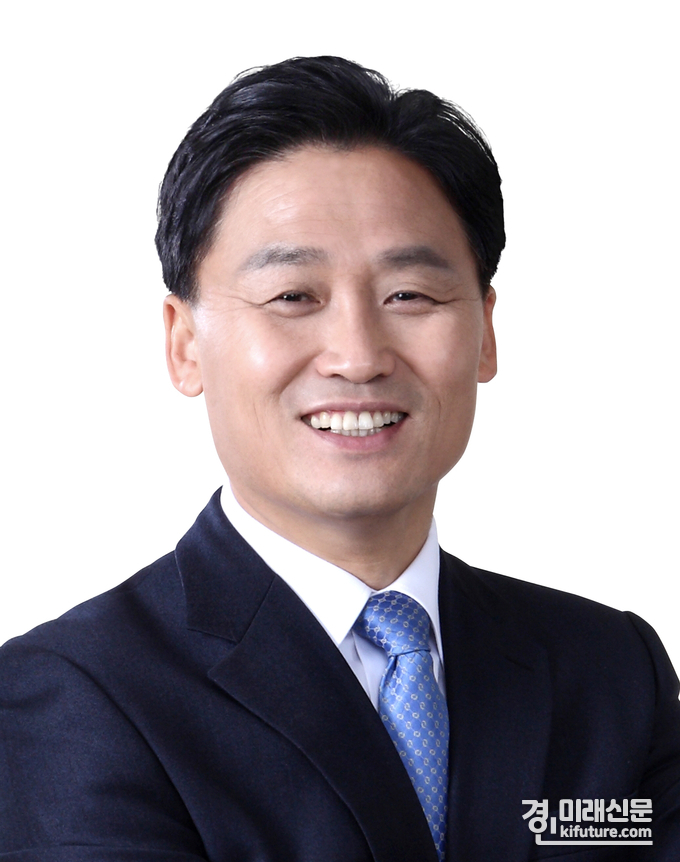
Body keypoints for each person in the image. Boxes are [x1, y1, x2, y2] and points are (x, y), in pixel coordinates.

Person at [1, 56, 678, 862]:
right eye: (294, 296)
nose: (358, 356)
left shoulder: (611, 669)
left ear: (485, 332)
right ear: (184, 345)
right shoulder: (73, 695)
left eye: (409, 295)